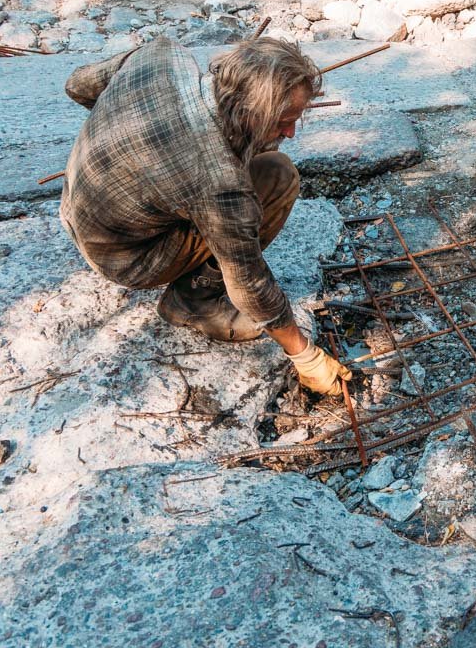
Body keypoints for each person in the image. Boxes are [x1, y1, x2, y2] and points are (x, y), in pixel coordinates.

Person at [59, 35, 351, 396]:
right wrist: (304, 355)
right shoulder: (219, 182)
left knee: (242, 172)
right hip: (126, 256)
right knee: (277, 175)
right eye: (284, 120)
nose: (290, 132)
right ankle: (194, 300)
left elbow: (77, 85)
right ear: (253, 111)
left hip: (74, 205)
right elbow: (249, 280)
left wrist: (129, 149)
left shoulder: (162, 55)